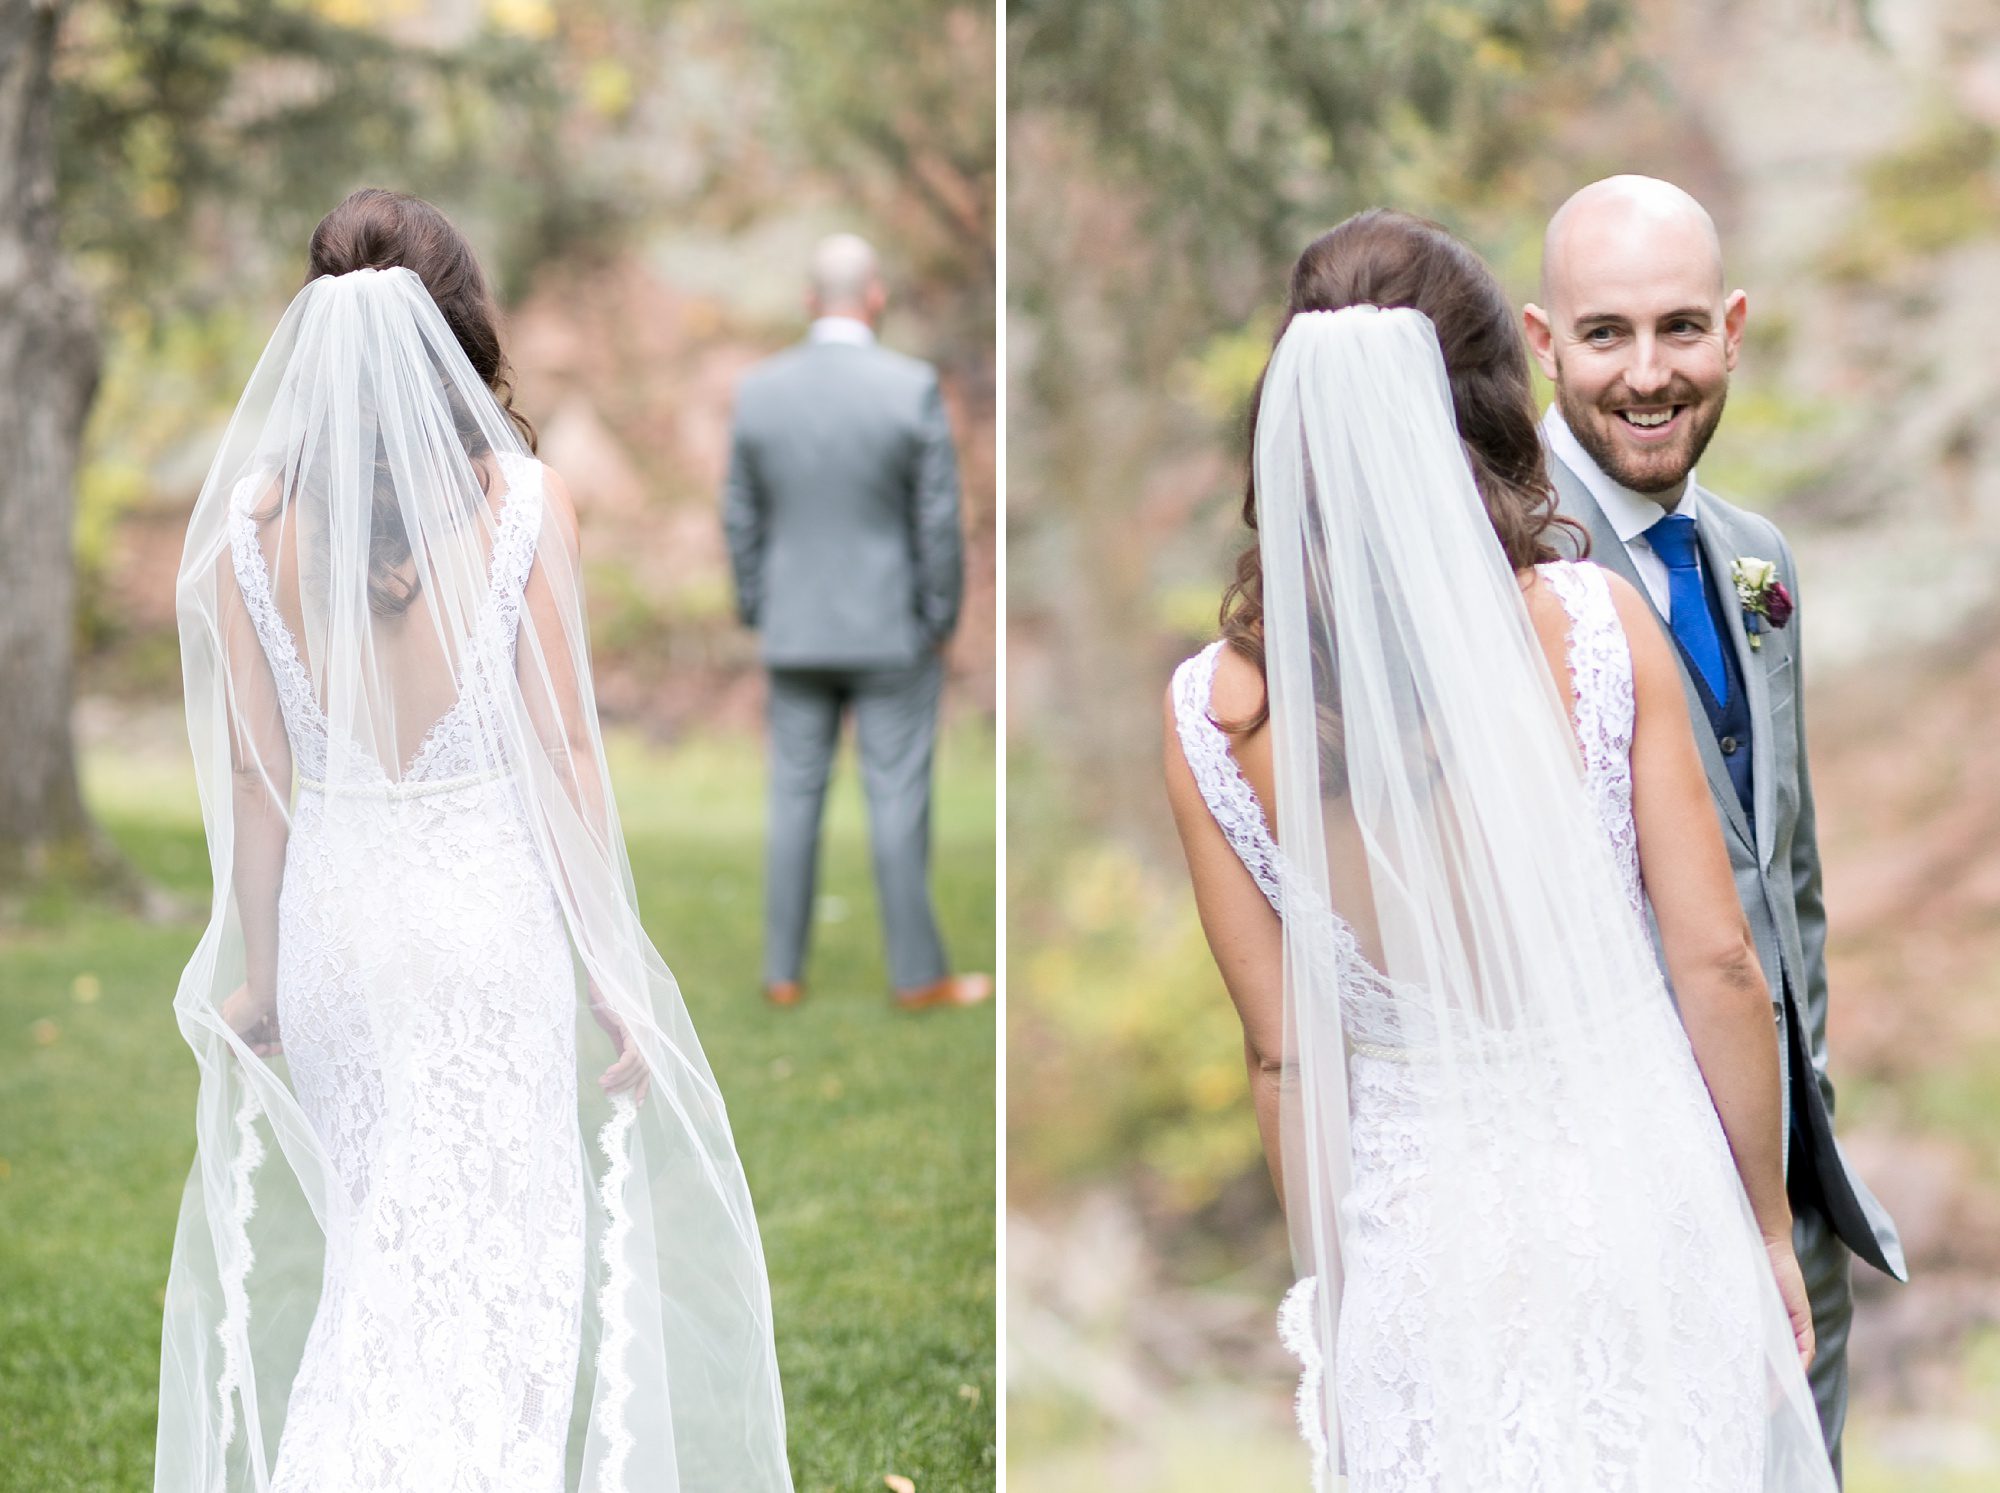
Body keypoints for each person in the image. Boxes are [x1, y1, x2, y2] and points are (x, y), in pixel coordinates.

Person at [1163, 211, 1837, 1490]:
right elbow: (1714, 962)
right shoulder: (1592, 625)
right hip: (1648, 1218)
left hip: (1418, 1255)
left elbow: (1283, 1054)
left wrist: (1339, 1293)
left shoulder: (1210, 714)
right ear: (1488, 401)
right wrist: (1759, 1223)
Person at [163, 189, 792, 1491]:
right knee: (499, 1274)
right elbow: (562, 755)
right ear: (462, 331)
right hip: (485, 920)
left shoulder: (248, 534)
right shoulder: (527, 507)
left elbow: (252, 772)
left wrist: (269, 978)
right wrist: (612, 964)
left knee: (377, 1262)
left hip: (339, 928)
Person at [1524, 175, 1905, 1476]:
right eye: (1606, 333)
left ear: (1733, 328)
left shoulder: (1756, 555)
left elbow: (1783, 871)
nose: (1647, 374)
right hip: (1607, 1207)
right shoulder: (1503, 569)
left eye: (1681, 328)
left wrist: (1798, 1132)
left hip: (1785, 1195)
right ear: (1541, 342)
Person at [722, 233, 988, 1011]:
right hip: (889, 630)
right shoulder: (909, 388)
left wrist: (756, 604)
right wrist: (940, 616)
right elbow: (938, 520)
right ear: (875, 297)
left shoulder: (759, 391)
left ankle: (782, 971)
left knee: (793, 796)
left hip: (795, 627)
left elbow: (740, 512)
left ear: (810, 301)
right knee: (898, 796)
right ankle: (917, 976)